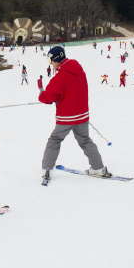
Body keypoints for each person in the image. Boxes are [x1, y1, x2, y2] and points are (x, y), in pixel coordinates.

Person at [38, 46, 109, 181]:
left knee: (55, 140)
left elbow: (47, 98)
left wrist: (41, 90)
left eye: (51, 60)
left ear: (57, 59)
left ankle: (46, 169)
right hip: (82, 114)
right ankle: (98, 168)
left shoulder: (61, 76)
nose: (50, 63)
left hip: (66, 117)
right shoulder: (78, 69)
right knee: (84, 139)